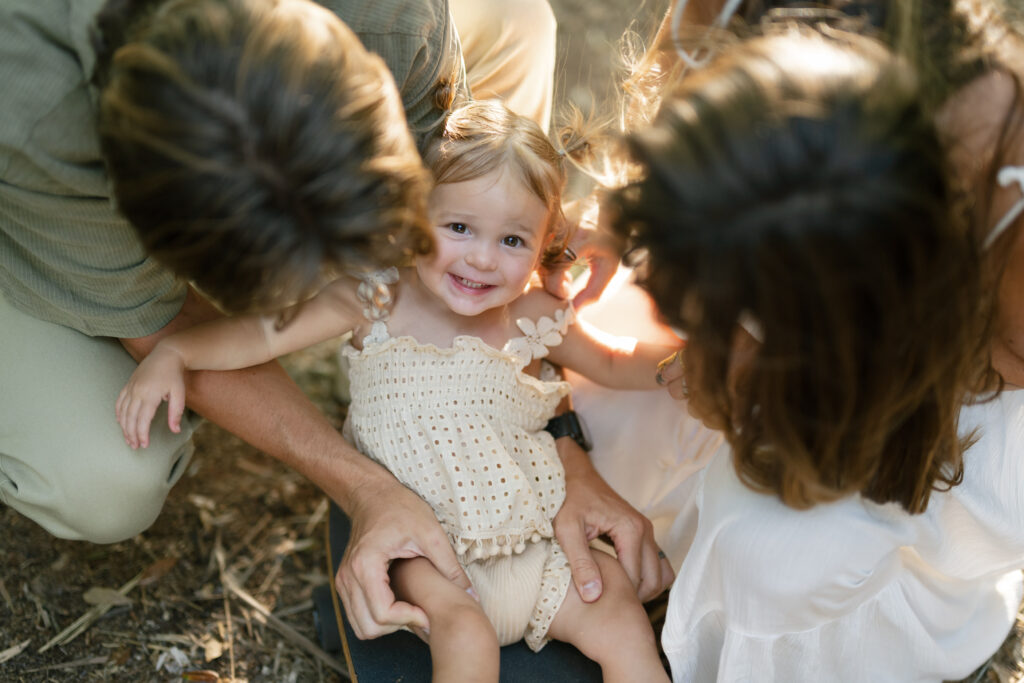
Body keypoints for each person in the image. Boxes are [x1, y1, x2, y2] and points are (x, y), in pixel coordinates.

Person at [0, 0, 667, 646]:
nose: (385, 271)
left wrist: (566, 435)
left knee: (518, 18)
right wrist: (363, 486)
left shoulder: (389, 15)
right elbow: (168, 319)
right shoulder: (30, 109)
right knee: (108, 479)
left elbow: (471, 170)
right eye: (453, 227)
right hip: (32, 188)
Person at [114, 99, 676, 682]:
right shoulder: (374, 301)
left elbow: (612, 360)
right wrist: (179, 350)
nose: (482, 259)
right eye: (458, 228)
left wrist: (682, 363)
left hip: (534, 542)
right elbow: (261, 335)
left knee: (616, 609)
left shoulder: (534, 314)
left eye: (513, 240)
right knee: (465, 634)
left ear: (544, 243)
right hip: (430, 549)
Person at [609, 28, 995, 681]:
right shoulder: (870, 233)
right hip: (856, 442)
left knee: (760, 547)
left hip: (826, 526)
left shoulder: (768, 547)